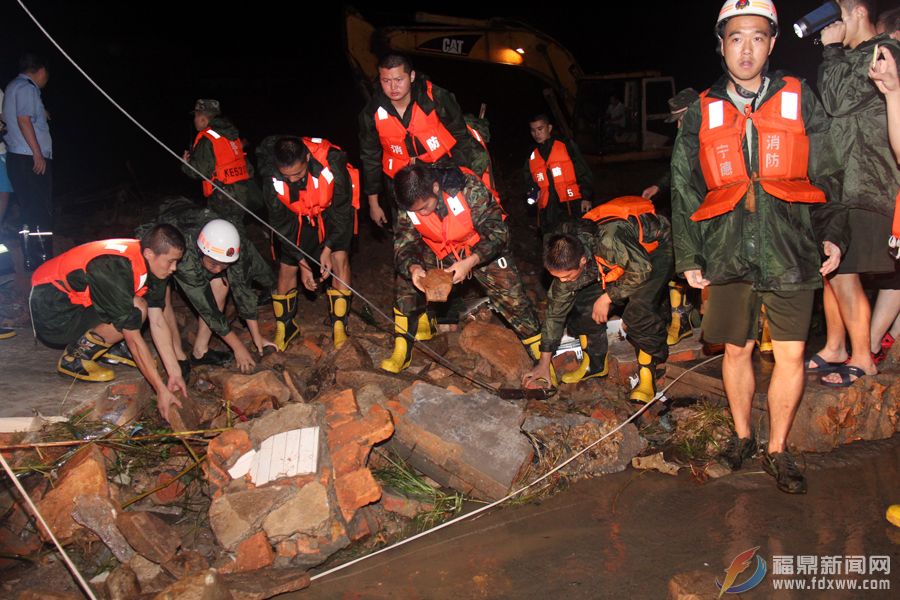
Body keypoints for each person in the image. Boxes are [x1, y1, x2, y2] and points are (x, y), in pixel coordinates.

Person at [671, 0, 848, 494]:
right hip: (727, 245)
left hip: (790, 245)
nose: (745, 49)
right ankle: (743, 437)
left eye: (756, 37)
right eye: (735, 38)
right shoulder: (702, 110)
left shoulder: (799, 95)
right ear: (720, 45)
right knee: (735, 349)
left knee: (790, 354)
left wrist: (833, 232)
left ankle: (779, 449)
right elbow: (684, 186)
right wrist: (689, 255)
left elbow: (830, 168)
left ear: (771, 43)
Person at [812, 0, 900, 386]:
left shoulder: (884, 52)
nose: (834, 27)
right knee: (833, 270)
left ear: (858, 13)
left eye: (839, 18)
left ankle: (863, 357)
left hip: (868, 183)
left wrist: (830, 50)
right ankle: (835, 346)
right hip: (841, 184)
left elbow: (835, 99)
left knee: (845, 273)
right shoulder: (855, 56)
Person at [383, 163, 541, 373]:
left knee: (514, 299)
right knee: (406, 281)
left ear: (436, 188)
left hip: (480, 249)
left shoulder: (468, 188)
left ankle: (542, 356)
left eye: (424, 207)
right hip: (441, 252)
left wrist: (471, 261)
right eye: (415, 210)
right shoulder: (409, 204)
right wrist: (414, 269)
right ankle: (402, 350)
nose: (420, 213)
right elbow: (404, 243)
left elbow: (498, 231)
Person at [522, 197, 674, 401]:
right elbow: (554, 315)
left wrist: (608, 297)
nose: (563, 281)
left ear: (582, 261)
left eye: (567, 276)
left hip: (656, 248)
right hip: (619, 261)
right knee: (581, 307)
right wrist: (543, 361)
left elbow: (640, 269)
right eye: (557, 277)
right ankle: (595, 364)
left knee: (639, 310)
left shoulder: (608, 241)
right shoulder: (569, 261)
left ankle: (649, 373)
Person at [30, 225, 187, 420]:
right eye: (171, 261)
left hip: (78, 303)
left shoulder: (154, 265)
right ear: (149, 253)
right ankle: (74, 359)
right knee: (135, 310)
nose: (174, 268)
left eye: (177, 262)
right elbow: (134, 339)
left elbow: (158, 321)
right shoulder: (113, 266)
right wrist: (160, 389)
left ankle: (106, 347)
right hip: (53, 311)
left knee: (139, 306)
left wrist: (175, 372)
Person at [141, 199, 276, 375]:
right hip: (165, 237)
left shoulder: (235, 246)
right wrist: (238, 347)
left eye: (224, 265)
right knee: (162, 299)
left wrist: (256, 335)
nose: (219, 269)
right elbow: (206, 306)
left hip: (194, 219)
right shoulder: (186, 257)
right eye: (213, 263)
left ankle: (200, 351)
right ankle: (178, 357)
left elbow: (243, 287)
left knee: (220, 285)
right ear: (202, 252)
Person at [358, 54, 489, 228]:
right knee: (409, 233)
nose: (393, 87)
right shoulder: (371, 113)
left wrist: (465, 178)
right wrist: (373, 203)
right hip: (402, 181)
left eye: (398, 79)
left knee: (452, 225)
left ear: (411, 76)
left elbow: (460, 136)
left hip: (440, 169)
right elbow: (370, 158)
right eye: (386, 81)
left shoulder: (435, 97)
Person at [259, 136, 357, 350]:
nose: (293, 180)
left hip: (330, 211)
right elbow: (280, 225)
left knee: (339, 258)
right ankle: (285, 327)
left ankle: (339, 326)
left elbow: (342, 214)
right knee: (287, 266)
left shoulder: (333, 163)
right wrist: (303, 263)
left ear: (307, 158)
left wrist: (328, 247)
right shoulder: (271, 176)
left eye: (298, 174)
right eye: (287, 176)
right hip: (296, 215)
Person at [2, 53, 53, 270]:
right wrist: (37, 153)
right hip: (28, 157)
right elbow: (23, 120)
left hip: (17, 156)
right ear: (41, 70)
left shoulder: (13, 87)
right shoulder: (27, 88)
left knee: (29, 209)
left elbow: (8, 118)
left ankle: (31, 259)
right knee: (40, 208)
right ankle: (43, 260)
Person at [182, 99, 259, 228]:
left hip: (223, 197)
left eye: (196, 115)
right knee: (236, 229)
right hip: (242, 192)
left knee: (221, 231)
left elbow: (200, 171)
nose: (194, 119)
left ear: (203, 118)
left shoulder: (208, 139)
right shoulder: (230, 134)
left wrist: (186, 163)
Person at [526, 114, 595, 231]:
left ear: (549, 128)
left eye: (540, 129)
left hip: (571, 205)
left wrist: (586, 197)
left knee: (576, 241)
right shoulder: (531, 156)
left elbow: (583, 171)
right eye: (533, 130)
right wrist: (532, 191)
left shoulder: (566, 145)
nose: (536, 134)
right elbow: (529, 181)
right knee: (552, 244)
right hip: (548, 212)